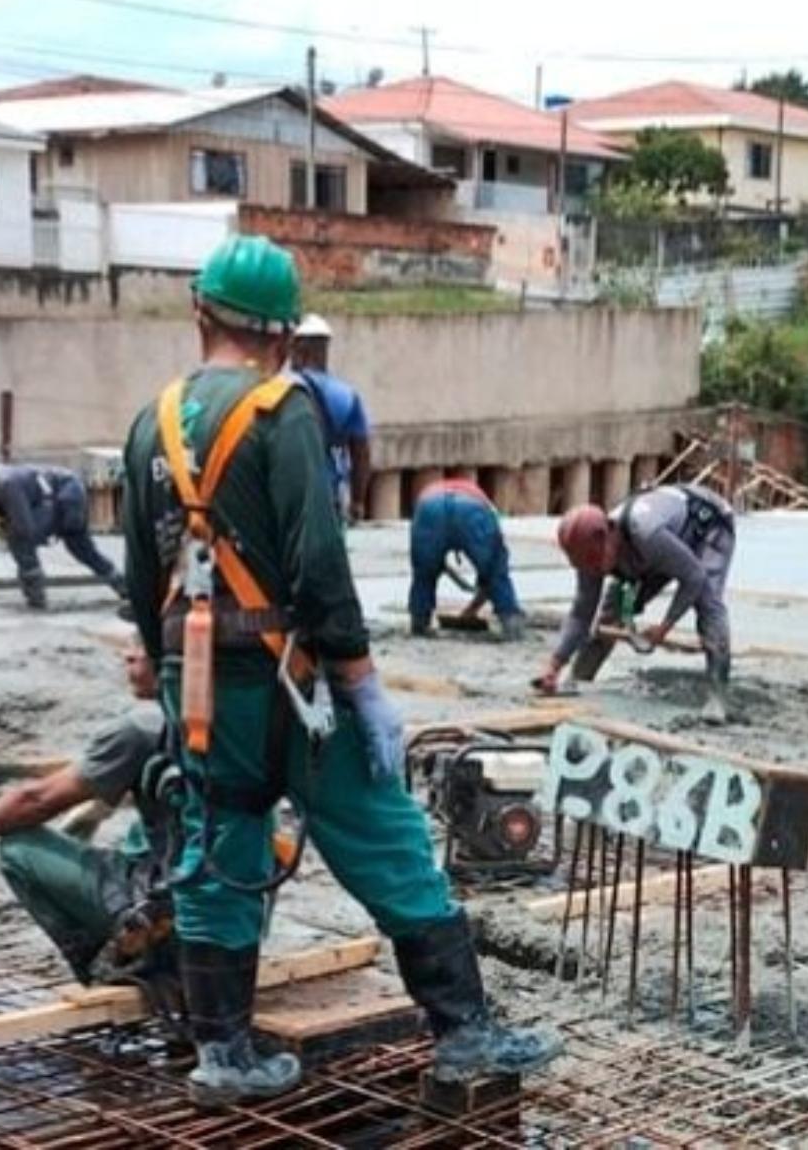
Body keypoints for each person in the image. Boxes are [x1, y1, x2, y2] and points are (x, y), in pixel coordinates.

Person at [122, 234, 560, 1108]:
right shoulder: (285, 411)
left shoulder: (151, 423)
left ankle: (225, 1052)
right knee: (382, 832)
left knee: (218, 840)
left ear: (199, 313)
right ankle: (465, 1033)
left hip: (197, 679)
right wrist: (361, 683)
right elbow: (318, 562)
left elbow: (139, 571)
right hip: (291, 680)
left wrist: (156, 655)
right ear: (284, 334)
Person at [0, 642, 180, 1001]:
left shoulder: (142, 726)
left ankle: (120, 962)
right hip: (235, 915)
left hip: (176, 912)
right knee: (145, 835)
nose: (129, 655)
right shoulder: (243, 711)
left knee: (17, 845)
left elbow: (36, 800)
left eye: (142, 643)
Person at [537, 483, 736, 723]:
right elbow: (581, 613)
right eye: (588, 566)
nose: (596, 570)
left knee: (707, 601)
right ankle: (579, 678)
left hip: (706, 525)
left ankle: (718, 694)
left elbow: (693, 576)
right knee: (611, 613)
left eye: (598, 561)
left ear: (610, 534)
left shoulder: (646, 532)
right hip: (653, 551)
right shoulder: (589, 550)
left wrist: (665, 626)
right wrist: (554, 664)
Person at [0, 446, 126, 610]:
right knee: (25, 539)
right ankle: (123, 587)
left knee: (77, 545)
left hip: (68, 493)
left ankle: (37, 598)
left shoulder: (7, 483)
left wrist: (7, 531)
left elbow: (25, 529)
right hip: (43, 505)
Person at [409, 477, 525, 640]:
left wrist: (468, 612)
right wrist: (471, 611)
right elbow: (491, 573)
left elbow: (423, 563)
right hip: (471, 508)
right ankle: (511, 623)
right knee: (495, 570)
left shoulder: (430, 492)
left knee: (423, 575)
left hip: (429, 507)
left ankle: (419, 622)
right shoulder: (483, 501)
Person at [289, 313, 371, 522]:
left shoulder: (281, 390)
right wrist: (358, 502)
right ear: (325, 350)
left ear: (298, 349)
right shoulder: (347, 395)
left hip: (290, 497)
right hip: (329, 498)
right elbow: (361, 453)